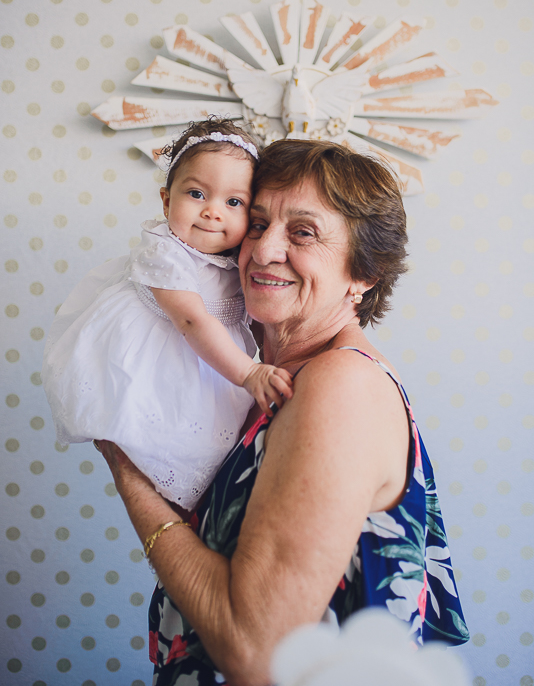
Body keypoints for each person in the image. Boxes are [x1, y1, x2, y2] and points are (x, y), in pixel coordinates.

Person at [99, 138, 469, 686]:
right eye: (256, 222)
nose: (264, 250)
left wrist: (126, 470)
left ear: (363, 274)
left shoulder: (340, 386)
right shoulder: (273, 385)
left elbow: (257, 652)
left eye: (303, 232)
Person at [42, 119, 292, 510]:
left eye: (233, 202)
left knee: (207, 453)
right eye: (196, 193)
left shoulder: (239, 259)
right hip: (151, 360)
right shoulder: (164, 249)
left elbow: (255, 321)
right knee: (155, 446)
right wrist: (249, 372)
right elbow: (191, 321)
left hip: (207, 366)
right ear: (165, 201)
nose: (212, 212)